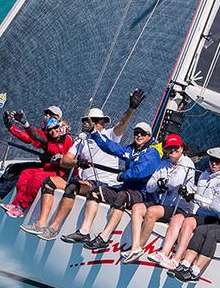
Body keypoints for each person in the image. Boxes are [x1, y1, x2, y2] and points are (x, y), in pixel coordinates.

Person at [21, 89, 145, 240]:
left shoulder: (110, 135)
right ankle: (40, 223)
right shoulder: (81, 140)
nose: (92, 123)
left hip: (104, 184)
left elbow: (122, 123)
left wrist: (131, 108)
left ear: (103, 122)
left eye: (96, 120)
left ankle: (53, 229)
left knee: (73, 186)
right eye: (89, 120)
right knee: (48, 182)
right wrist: (77, 162)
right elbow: (66, 160)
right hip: (87, 182)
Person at [83, 119, 160, 250]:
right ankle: (84, 232)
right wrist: (93, 132)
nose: (139, 135)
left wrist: (123, 175)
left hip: (142, 194)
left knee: (122, 196)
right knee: (95, 191)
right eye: (136, 132)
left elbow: (140, 172)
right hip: (126, 189)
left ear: (149, 136)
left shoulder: (152, 152)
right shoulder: (130, 149)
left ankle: (104, 237)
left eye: (142, 133)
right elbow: (110, 146)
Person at [120, 133, 196, 263]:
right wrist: (158, 184)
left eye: (176, 147)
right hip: (164, 204)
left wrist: (162, 183)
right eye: (169, 148)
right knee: (137, 208)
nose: (172, 150)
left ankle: (139, 247)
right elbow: (150, 186)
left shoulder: (187, 163)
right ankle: (135, 247)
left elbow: (174, 183)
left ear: (182, 148)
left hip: (179, 207)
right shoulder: (163, 164)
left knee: (152, 212)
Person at [154, 146, 220, 270]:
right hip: (199, 213)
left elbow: (214, 205)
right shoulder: (205, 174)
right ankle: (163, 254)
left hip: (214, 217)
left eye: (217, 161)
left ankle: (176, 260)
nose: (213, 163)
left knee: (188, 222)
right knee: (177, 218)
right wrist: (187, 192)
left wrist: (194, 196)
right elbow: (198, 193)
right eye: (211, 159)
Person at [0, 105, 64, 207]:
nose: (46, 116)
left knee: (21, 170)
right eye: (46, 114)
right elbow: (29, 138)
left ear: (57, 118)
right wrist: (10, 127)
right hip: (47, 164)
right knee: (15, 166)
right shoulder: (47, 130)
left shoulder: (58, 132)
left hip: (54, 169)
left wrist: (25, 124)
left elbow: (38, 137)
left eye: (50, 114)